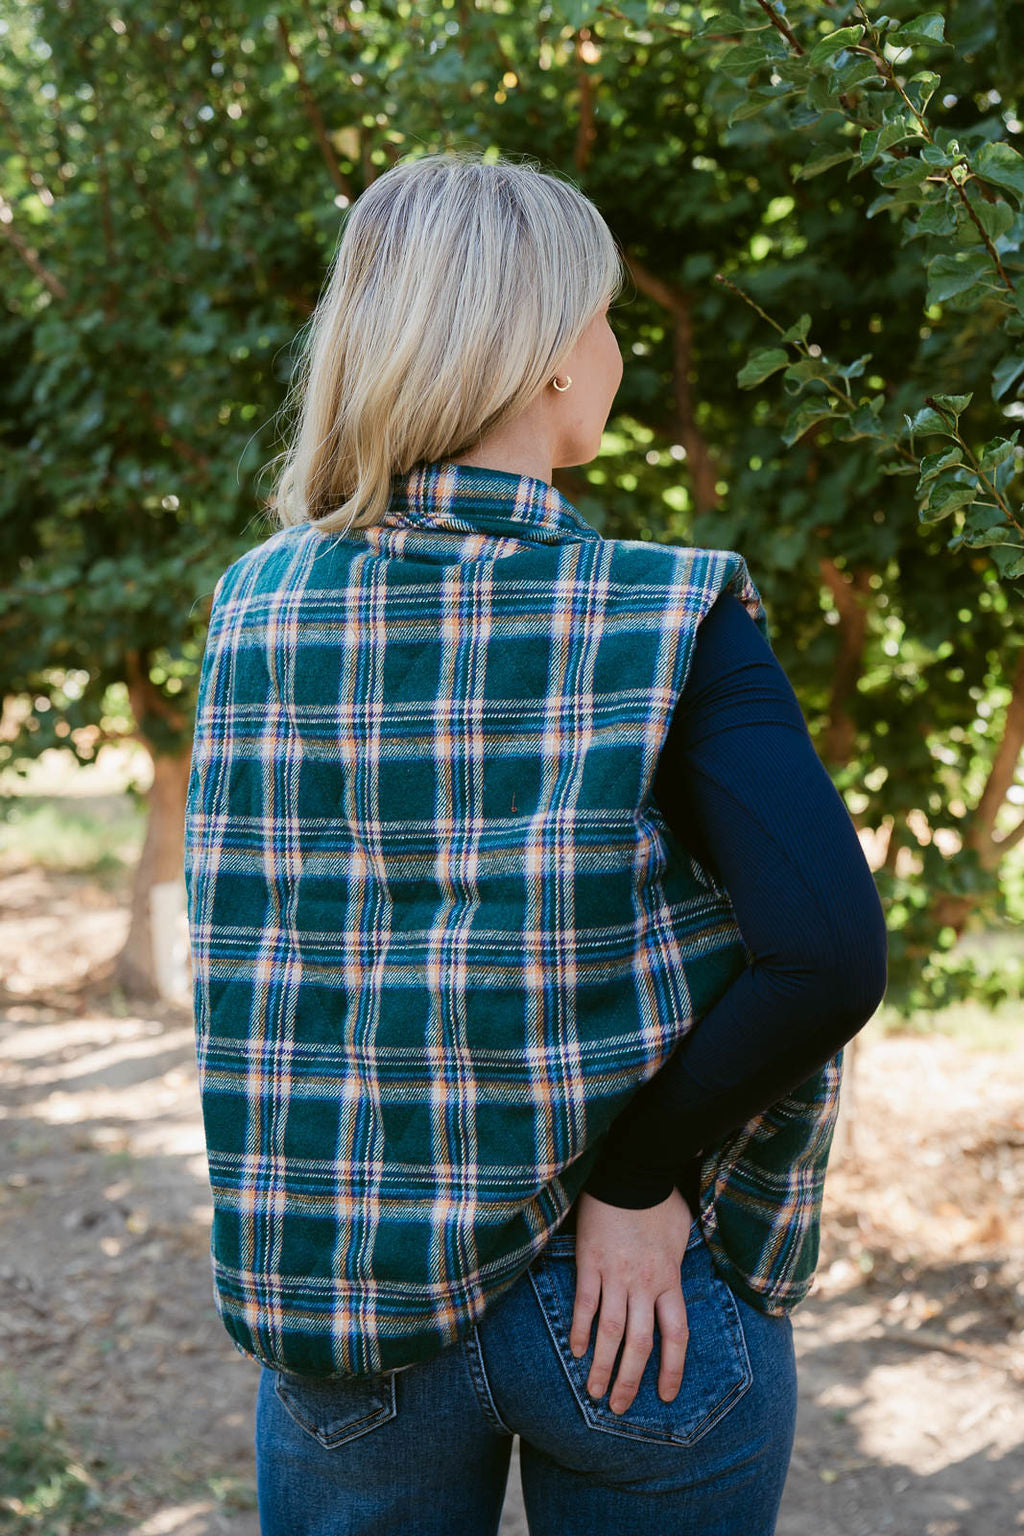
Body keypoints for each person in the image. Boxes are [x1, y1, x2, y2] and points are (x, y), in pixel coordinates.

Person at [184, 149, 888, 1536]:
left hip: (348, 1293)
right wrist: (635, 1185)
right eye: (607, 316)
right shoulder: (665, 611)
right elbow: (827, 955)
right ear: (553, 358)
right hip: (626, 1304)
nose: (614, 347)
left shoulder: (254, 608)